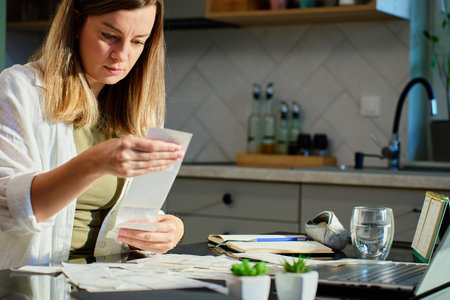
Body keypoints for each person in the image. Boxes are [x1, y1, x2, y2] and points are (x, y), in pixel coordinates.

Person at [0, 0, 185, 269]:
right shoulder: (20, 88)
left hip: (107, 280)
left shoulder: (135, 110)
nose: (121, 55)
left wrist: (167, 228)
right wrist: (94, 162)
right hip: (34, 281)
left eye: (138, 42)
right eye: (110, 36)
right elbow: (10, 210)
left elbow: (129, 215)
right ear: (76, 24)